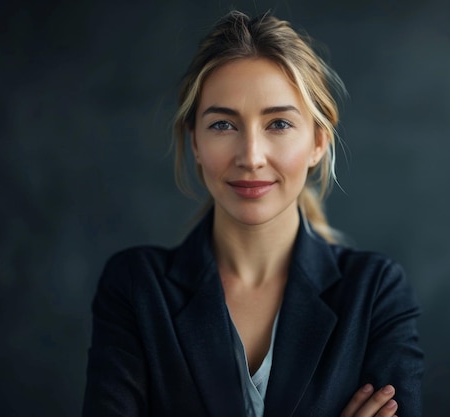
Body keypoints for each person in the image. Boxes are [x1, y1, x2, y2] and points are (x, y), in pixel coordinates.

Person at [82, 10, 423, 417]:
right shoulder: (136, 289)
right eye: (223, 126)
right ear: (194, 142)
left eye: (278, 123)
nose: (251, 157)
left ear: (318, 142)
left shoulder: (375, 292)